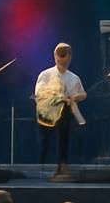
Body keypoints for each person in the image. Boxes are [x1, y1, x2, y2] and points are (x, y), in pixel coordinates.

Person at [34, 43, 86, 180]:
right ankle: (42, 168)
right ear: (55, 56)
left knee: (63, 139)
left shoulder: (74, 78)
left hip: (65, 112)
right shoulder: (46, 75)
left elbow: (83, 94)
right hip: (48, 113)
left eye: (66, 56)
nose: (64, 59)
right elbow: (38, 93)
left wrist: (76, 97)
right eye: (61, 56)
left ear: (70, 58)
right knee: (45, 140)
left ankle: (61, 166)